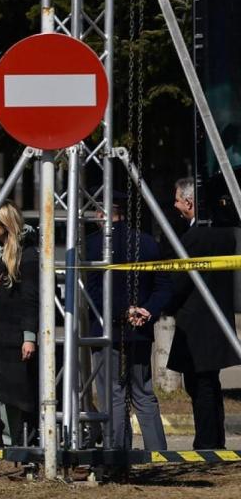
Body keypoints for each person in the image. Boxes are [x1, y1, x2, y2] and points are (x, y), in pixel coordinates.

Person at [85, 192, 170, 451]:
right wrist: (146, 311)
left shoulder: (92, 245)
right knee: (143, 393)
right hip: (140, 331)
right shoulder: (147, 243)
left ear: (102, 213)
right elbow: (164, 287)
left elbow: (93, 291)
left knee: (113, 394)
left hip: (107, 330)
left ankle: (117, 454)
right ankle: (157, 454)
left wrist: (123, 311)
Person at [165, 177, 240, 449]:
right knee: (209, 384)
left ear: (189, 202)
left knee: (201, 387)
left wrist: (162, 305)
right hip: (216, 320)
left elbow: (180, 281)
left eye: (177, 200)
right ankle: (213, 440)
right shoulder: (224, 234)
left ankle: (208, 443)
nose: (175, 206)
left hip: (197, 324)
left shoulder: (195, 238)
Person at [0, 200, 39, 445]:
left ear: (6, 223)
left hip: (14, 335)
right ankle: (2, 440)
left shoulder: (28, 255)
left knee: (15, 393)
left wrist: (29, 337)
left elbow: (31, 299)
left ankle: (18, 441)